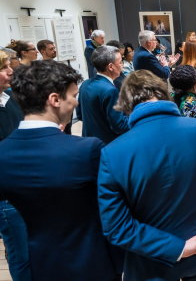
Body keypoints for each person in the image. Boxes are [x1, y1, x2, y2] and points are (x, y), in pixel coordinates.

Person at [0, 60, 124, 281]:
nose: (77, 102)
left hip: (43, 262)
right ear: (55, 100)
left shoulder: (3, 154)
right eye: (73, 95)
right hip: (94, 261)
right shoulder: (87, 150)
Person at [98, 70, 196, 281]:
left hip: (151, 259)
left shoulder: (113, 152)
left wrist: (178, 248)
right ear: (164, 93)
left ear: (126, 106)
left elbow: (117, 227)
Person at [0, 49, 30, 281]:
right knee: (21, 255)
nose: (10, 71)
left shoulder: (9, 97)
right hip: (6, 195)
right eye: (3, 68)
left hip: (23, 185)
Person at [77, 45, 129, 144]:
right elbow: (119, 126)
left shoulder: (85, 84)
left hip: (88, 142)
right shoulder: (111, 91)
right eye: (120, 62)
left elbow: (80, 115)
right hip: (107, 144)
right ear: (111, 66)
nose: (122, 65)